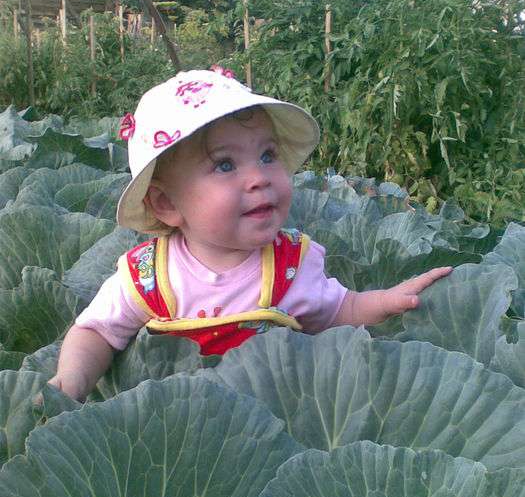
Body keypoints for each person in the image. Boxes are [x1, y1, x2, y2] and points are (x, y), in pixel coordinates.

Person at [48, 67, 452, 401]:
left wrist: (386, 301)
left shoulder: (292, 266)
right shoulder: (146, 278)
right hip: (171, 433)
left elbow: (338, 312)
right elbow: (97, 331)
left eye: (267, 155)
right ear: (167, 205)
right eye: (225, 166)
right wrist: (70, 383)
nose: (259, 178)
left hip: (275, 426)